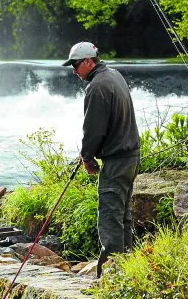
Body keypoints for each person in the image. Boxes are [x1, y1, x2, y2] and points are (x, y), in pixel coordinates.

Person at [62, 42, 140, 278]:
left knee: (109, 217)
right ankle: (129, 270)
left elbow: (94, 130)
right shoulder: (114, 75)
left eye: (76, 65)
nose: (74, 71)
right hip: (131, 156)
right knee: (123, 217)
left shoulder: (97, 86)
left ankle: (110, 276)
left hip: (117, 161)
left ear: (88, 61)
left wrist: (87, 157)